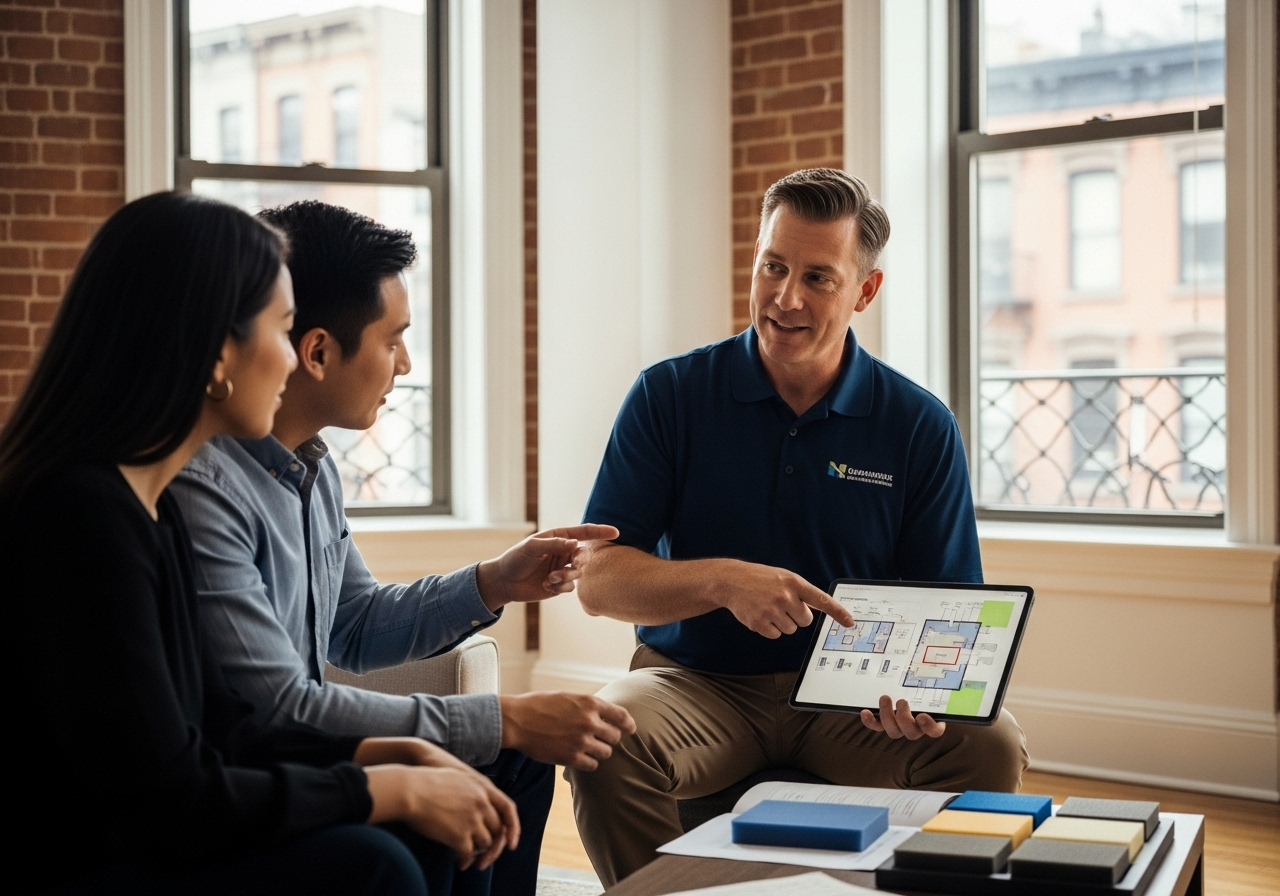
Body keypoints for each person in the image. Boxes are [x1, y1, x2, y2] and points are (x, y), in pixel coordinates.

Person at [2, 192, 530, 895]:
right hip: (95, 858)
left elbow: (218, 726)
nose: (290, 362)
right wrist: (381, 789)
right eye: (283, 331)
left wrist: (376, 751)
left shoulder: (139, 507)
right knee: (378, 860)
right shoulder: (83, 516)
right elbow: (173, 794)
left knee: (430, 815)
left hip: (163, 825)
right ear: (219, 353)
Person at [568, 168, 1030, 885]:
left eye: (818, 278)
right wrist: (724, 581)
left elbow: (949, 617)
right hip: (694, 686)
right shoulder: (669, 395)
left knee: (990, 745)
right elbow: (597, 581)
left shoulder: (918, 426)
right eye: (772, 267)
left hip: (852, 702)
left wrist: (920, 700)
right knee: (602, 736)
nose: (785, 298)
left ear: (864, 291)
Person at [167, 200, 635, 895]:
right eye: (395, 340)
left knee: (516, 764)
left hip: (297, 751)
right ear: (318, 351)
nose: (407, 363)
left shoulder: (310, 466)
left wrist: (494, 582)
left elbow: (352, 625)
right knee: (496, 754)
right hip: (263, 765)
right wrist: (503, 717)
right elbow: (278, 707)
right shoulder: (203, 487)